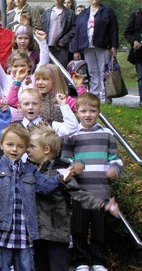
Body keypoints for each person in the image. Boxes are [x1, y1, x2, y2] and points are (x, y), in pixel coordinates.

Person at [28, 125, 120, 271]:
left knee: (57, 266)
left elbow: (80, 194)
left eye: (32, 146)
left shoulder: (61, 171)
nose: (28, 150)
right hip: (35, 233)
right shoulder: (29, 170)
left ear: (46, 149)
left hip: (56, 233)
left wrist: (103, 205)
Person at [0, 123, 71, 271]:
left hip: (25, 231)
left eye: (20, 146)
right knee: (1, 266)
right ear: (1, 145)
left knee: (26, 267)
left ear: (25, 149)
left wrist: (61, 179)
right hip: (2, 229)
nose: (14, 149)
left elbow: (45, 187)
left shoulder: (30, 170)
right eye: (10, 144)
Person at [61, 93, 123, 271]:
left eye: (92, 111)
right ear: (77, 112)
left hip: (102, 190)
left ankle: (98, 260)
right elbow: (64, 159)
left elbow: (116, 158)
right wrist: (73, 166)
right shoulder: (72, 135)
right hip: (81, 191)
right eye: (83, 111)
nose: (88, 114)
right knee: (79, 227)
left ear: (99, 112)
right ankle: (80, 260)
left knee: (99, 229)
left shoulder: (107, 134)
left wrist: (115, 170)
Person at [70, 0, 119, 103]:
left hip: (103, 46)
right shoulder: (84, 13)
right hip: (88, 47)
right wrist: (76, 49)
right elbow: (77, 32)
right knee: (92, 71)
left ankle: (106, 96)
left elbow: (114, 29)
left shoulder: (107, 11)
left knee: (104, 71)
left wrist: (114, 46)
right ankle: (95, 95)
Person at [41, 0, 76, 67]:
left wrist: (64, 40)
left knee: (60, 69)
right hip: (48, 45)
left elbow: (74, 28)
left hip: (61, 46)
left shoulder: (70, 13)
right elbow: (41, 27)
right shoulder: (47, 13)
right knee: (47, 69)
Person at [123, 0, 142, 107]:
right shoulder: (135, 15)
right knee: (141, 76)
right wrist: (134, 41)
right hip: (140, 52)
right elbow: (127, 32)